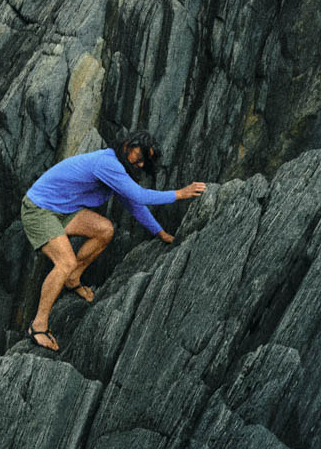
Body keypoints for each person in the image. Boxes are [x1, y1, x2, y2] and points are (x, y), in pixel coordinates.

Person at [20, 130, 206, 351]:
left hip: (63, 210)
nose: (139, 165)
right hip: (39, 209)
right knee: (65, 262)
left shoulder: (119, 168)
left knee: (105, 230)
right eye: (139, 158)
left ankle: (73, 278)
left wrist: (160, 233)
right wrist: (180, 194)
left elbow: (133, 204)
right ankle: (38, 326)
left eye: (143, 164)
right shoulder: (108, 164)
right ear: (127, 145)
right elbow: (139, 195)